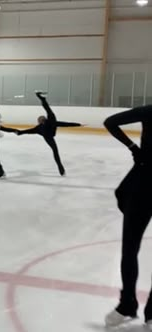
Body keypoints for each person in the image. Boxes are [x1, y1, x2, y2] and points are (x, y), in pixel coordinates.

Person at [104, 105, 152, 328]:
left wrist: (134, 148)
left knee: (129, 249)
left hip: (142, 182)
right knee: (129, 249)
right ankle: (128, 304)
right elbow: (110, 121)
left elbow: (110, 122)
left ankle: (140, 308)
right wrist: (134, 148)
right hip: (141, 186)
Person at [16, 92, 84, 176]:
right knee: (55, 150)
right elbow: (64, 124)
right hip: (49, 135)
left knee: (49, 112)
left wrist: (20, 132)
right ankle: (60, 166)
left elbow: (27, 131)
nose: (41, 121)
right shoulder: (43, 126)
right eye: (41, 120)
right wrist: (78, 124)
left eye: (41, 120)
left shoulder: (42, 126)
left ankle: (42, 99)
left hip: (49, 134)